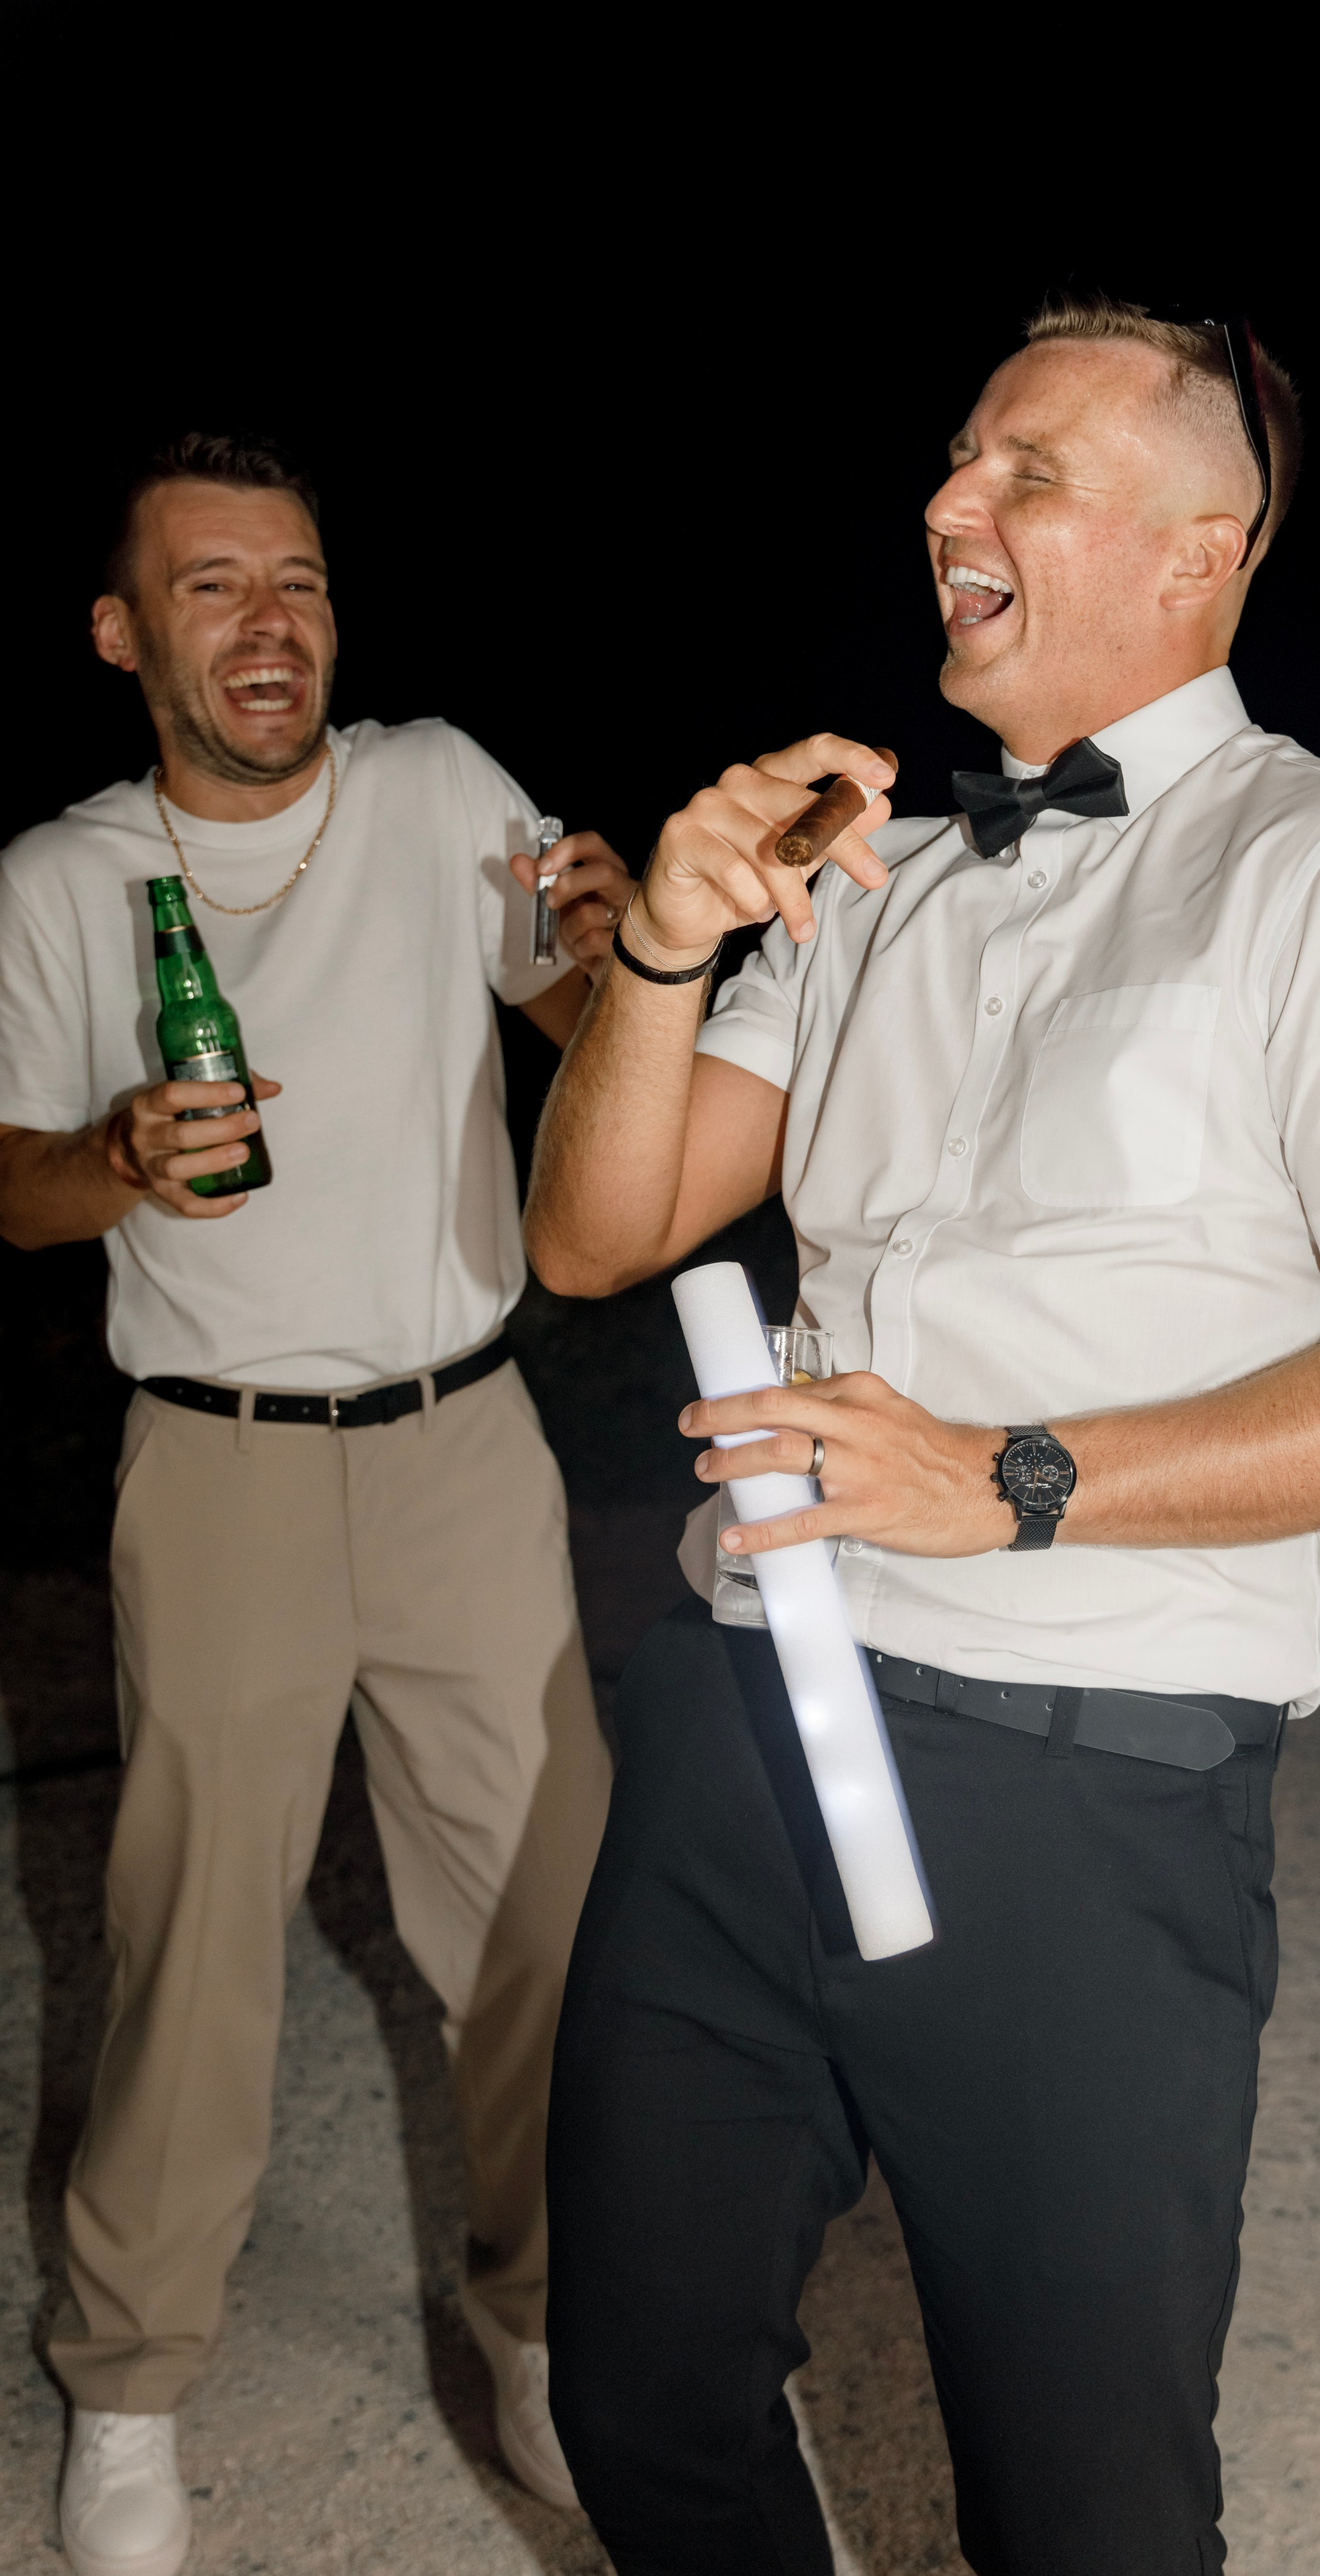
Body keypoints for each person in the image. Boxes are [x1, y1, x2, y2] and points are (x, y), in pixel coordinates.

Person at [522, 294, 1320, 2573]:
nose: (948, 505)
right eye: (956, 463)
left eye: (1022, 473)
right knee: (643, 2392)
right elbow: (598, 1238)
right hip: (744, 1716)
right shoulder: (867, 863)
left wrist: (1012, 1479)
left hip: (1086, 1781)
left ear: (1198, 551)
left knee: (1081, 2505)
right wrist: (671, 947)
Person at [0, 433, 629, 2576]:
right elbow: (11, 1187)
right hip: (222, 1461)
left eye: (301, 584)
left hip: (469, 1443)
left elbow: (573, 1000)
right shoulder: (65, 882)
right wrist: (117, 1161)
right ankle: (131, 2385)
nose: (268, 625)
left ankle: (547, 2335)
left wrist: (619, 948)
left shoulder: (441, 785)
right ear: (122, 635)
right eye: (210, 588)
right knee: (192, 1954)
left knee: (554, 1929)